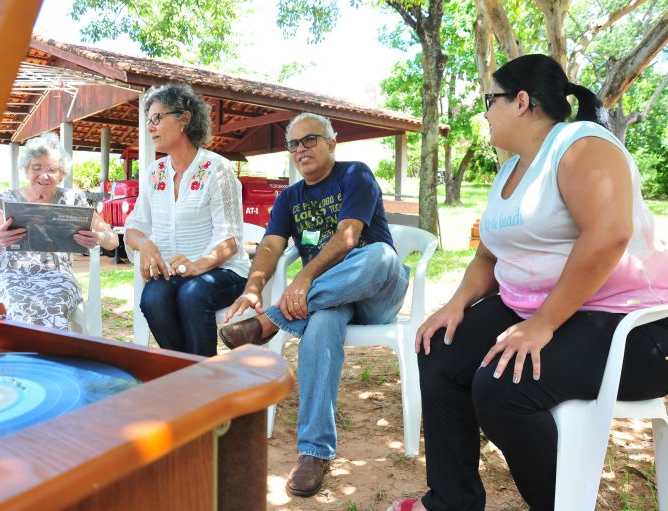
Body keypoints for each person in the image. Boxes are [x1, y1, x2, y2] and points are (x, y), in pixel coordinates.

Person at [387, 54, 668, 511]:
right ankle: (451, 501)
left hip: (628, 326)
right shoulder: (509, 170)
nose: (484, 111)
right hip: (536, 310)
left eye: (489, 100)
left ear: (521, 101)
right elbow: (487, 253)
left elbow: (608, 234)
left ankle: (560, 504)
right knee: (436, 350)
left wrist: (542, 325)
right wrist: (457, 302)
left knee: (501, 388)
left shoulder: (581, 144)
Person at [219, 112, 410, 497]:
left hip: (373, 291)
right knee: (321, 324)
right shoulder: (290, 197)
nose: (301, 149)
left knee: (382, 256)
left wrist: (304, 279)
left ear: (331, 144)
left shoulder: (355, 174)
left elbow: (348, 237)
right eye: (294, 144)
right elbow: (272, 245)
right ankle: (314, 452)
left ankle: (271, 321)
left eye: (310, 140)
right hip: (325, 301)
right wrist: (254, 288)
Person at [124, 83, 250, 357]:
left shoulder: (217, 169)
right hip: (175, 274)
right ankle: (191, 375)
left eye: (157, 118)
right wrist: (145, 245)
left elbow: (230, 241)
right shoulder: (153, 173)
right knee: (154, 298)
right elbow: (134, 227)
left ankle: (200, 381)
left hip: (222, 271)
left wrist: (197, 265)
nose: (150, 127)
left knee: (192, 294)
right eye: (148, 121)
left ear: (185, 118)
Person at [0, 132, 119, 331]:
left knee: (55, 303)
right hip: (8, 275)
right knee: (17, 301)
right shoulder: (4, 201)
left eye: (52, 169)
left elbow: (113, 240)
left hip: (56, 276)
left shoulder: (73, 200)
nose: (43, 175)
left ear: (61, 174)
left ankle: (48, 358)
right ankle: (23, 359)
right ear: (26, 170)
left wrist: (99, 237)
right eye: (36, 167)